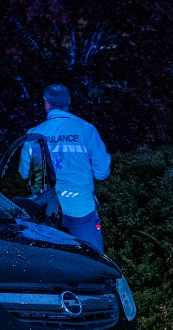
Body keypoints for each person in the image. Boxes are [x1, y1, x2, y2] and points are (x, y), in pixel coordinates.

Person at [23, 84, 111, 252]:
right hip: (81, 207)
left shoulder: (34, 133)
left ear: (46, 103)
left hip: (47, 208)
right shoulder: (86, 130)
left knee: (48, 257)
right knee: (93, 260)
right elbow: (102, 173)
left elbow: (26, 173)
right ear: (68, 102)